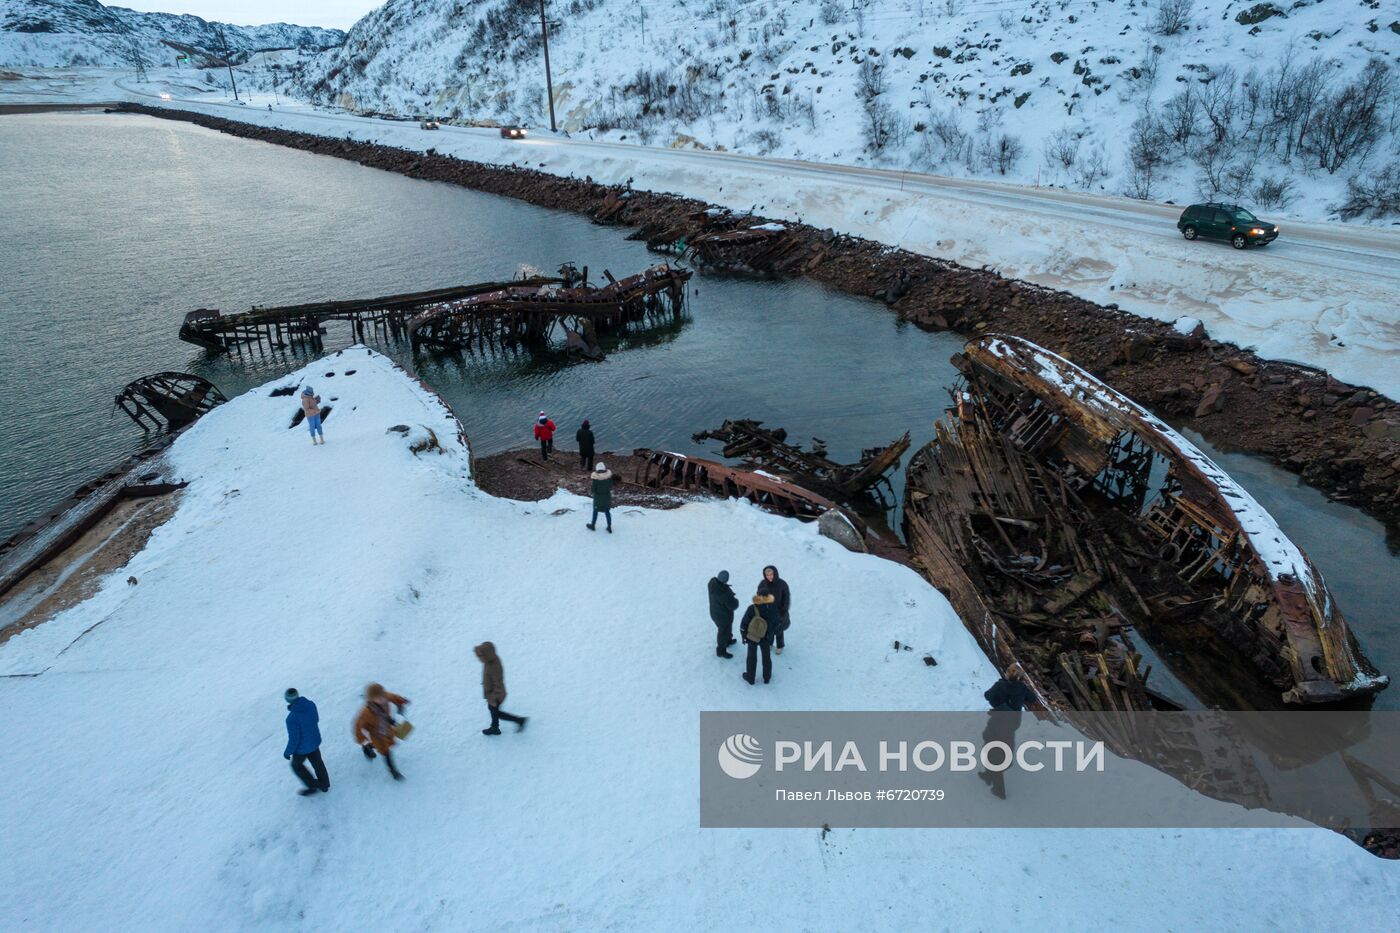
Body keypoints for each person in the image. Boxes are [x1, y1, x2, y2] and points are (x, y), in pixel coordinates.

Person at [978, 665, 1031, 799]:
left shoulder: (1000, 685)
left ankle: (998, 789)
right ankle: (989, 774)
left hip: (999, 720)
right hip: (1013, 723)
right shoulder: (1022, 688)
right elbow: (1033, 699)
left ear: (1007, 673)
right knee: (998, 744)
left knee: (993, 748)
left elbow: (987, 695)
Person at [354, 683, 410, 781]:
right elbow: (357, 727)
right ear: (371, 699)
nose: (382, 699)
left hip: (387, 728)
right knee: (386, 751)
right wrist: (363, 740)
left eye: (382, 697)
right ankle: (393, 771)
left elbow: (393, 697)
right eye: (378, 698)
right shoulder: (365, 713)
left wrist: (401, 700)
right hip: (376, 734)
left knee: (385, 743)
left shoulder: (384, 696)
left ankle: (368, 747)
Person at [283, 688, 329, 797]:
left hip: (301, 749)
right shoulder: (311, 705)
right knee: (318, 763)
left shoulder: (291, 718)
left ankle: (313, 785)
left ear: (287, 700)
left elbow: (294, 739)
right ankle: (325, 785)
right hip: (314, 741)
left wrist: (287, 752)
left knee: (296, 766)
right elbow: (316, 719)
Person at [475, 642, 527, 735]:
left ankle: (519, 720)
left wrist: (494, 698)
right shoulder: (488, 660)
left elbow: (498, 683)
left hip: (496, 695)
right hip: (492, 693)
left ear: (487, 654)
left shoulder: (493, 666)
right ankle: (495, 727)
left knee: (497, 712)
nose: (479, 658)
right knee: (493, 711)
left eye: (480, 656)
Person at [738, 584, 778, 685]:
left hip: (752, 636)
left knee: (751, 657)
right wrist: (770, 634)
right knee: (766, 657)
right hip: (766, 637)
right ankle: (767, 677)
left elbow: (744, 623)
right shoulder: (772, 608)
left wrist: (744, 636)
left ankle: (750, 678)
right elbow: (776, 623)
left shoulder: (752, 608)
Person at [708, 570, 740, 658]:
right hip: (723, 617)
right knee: (723, 632)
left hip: (715, 612)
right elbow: (734, 605)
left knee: (727, 628)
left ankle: (728, 640)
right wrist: (735, 600)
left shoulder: (712, 583)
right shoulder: (724, 593)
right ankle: (721, 650)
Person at [762, 566, 791, 655]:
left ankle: (780, 646)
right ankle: (770, 643)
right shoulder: (763, 584)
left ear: (775, 574)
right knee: (769, 629)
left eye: (771, 574)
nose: (769, 577)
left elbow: (786, 598)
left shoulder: (782, 584)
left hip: (779, 612)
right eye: (767, 575)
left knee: (779, 630)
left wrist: (783, 610)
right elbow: (759, 596)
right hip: (768, 612)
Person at [587, 461, 614, 533]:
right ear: (604, 469)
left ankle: (593, 525)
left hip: (598, 499)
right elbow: (611, 486)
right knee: (607, 512)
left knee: (595, 511)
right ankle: (609, 526)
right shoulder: (609, 478)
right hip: (607, 498)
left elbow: (593, 490)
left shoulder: (595, 480)